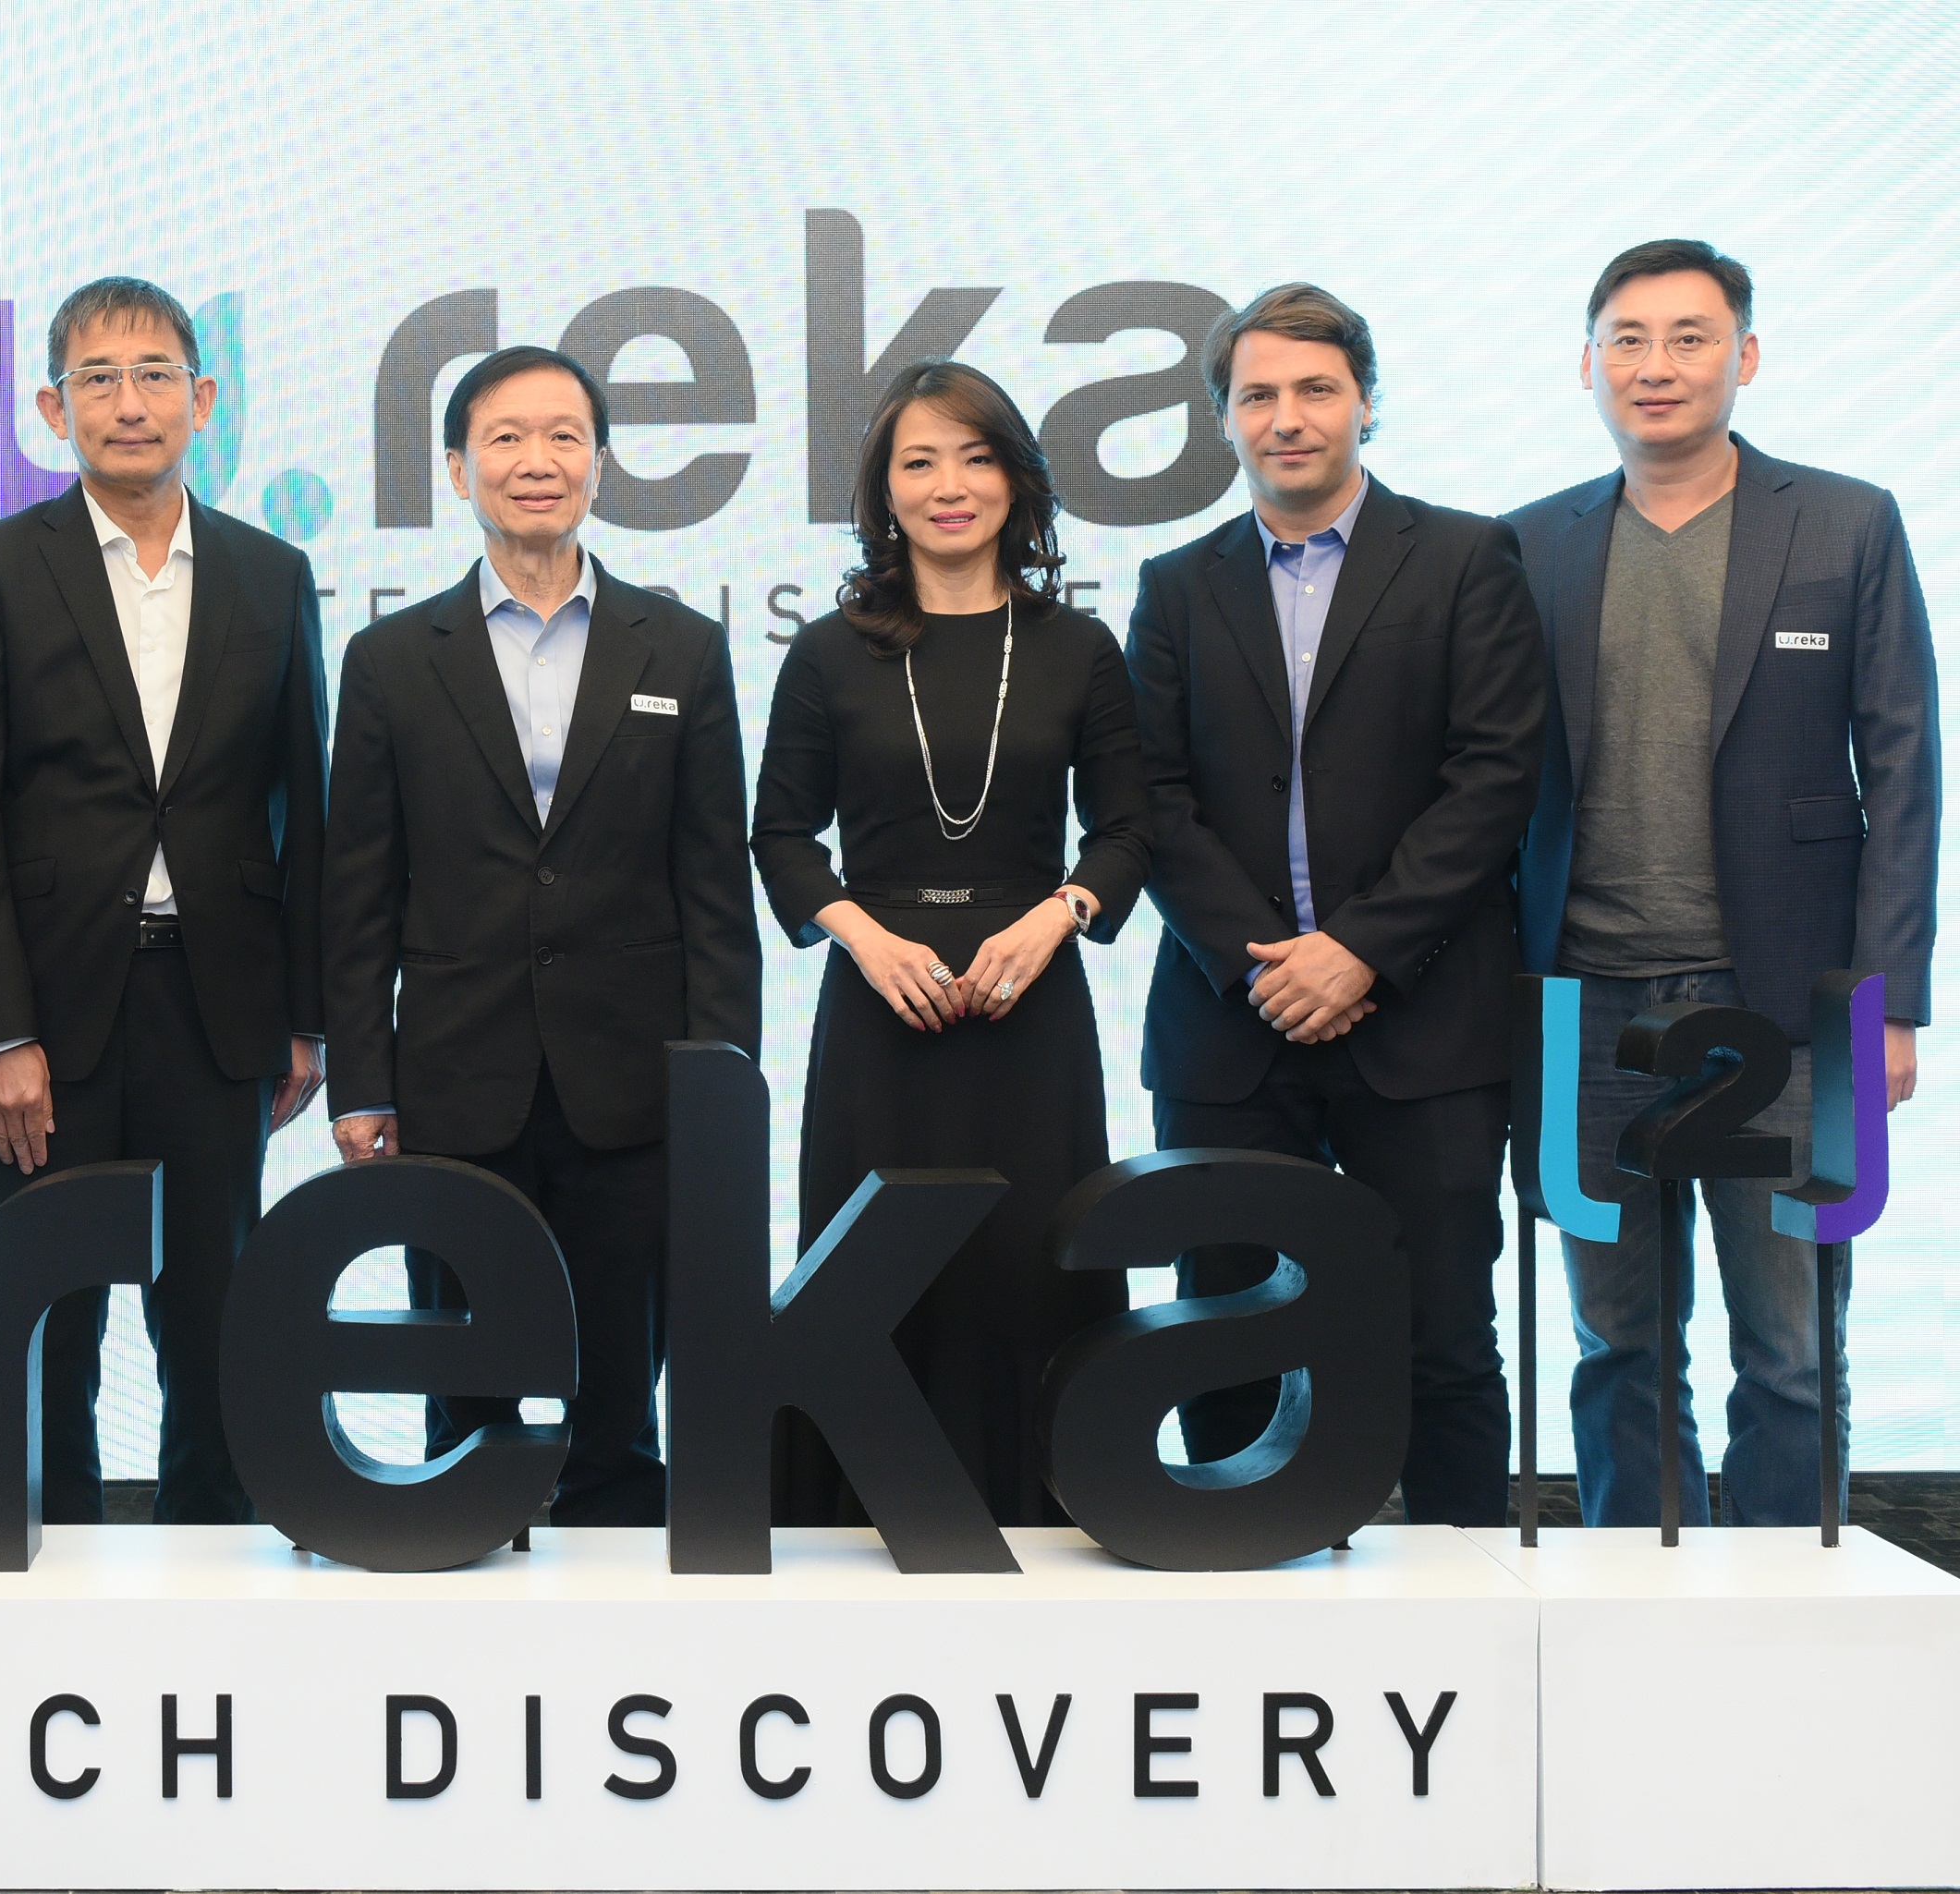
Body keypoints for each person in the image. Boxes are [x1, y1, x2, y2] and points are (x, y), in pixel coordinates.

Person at [1509, 239, 1939, 1527]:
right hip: (1586, 1008)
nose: (1657, 365)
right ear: (1588, 365)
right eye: (1628, 340)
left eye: (1690, 337)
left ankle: (1785, 1597)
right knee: (1617, 1344)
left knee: (1794, 1347)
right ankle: (1632, 1591)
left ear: (1744, 357)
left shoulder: (1848, 521)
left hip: (1789, 1010)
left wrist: (1888, 1005)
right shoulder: (1529, 544)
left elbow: (1904, 770)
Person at [1127, 284, 1549, 1526]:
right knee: (1222, 1338)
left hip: (1427, 1027)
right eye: (1257, 394)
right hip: (1230, 1026)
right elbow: (1149, 796)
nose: (1288, 417)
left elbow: (1496, 776)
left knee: (1443, 1339)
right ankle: (1238, 1583)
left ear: (1367, 402)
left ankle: (1470, 1592)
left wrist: (1358, 949)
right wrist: (1269, 962)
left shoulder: (1466, 557)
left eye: (1316, 389)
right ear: (1224, 417)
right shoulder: (1176, 584)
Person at [323, 344, 760, 1525]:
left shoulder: (681, 647)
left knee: (617, 1400)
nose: (537, 460)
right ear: (456, 467)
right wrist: (362, 1081)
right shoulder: (389, 661)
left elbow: (714, 890)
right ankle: (461, 1572)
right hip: (454, 1082)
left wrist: (721, 1089)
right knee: (463, 1396)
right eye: (506, 437)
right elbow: (358, 893)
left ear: (600, 465)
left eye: (565, 436)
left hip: (634, 1088)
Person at [0, 276, 329, 1524]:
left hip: (216, 1014)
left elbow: (303, 809)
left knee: (217, 1336)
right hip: (44, 1023)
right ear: (54, 409)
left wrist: (305, 1018)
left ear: (204, 400)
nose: (130, 402)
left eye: (155, 375)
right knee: (49, 1338)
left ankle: (212, 1586)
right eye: (98, 378)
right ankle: (54, 1594)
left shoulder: (271, 573)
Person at [753, 361, 1150, 1526]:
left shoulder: (1079, 646)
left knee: (1030, 1265)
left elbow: (1128, 832)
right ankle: (855, 1527)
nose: (950, 486)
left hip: (1033, 1008)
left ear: (1016, 480)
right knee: (870, 1273)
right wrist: (863, 940)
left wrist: (1058, 915)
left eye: (975, 458)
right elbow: (780, 835)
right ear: (884, 490)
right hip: (880, 1011)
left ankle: (1047, 1517)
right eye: (919, 462)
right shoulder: (829, 651)